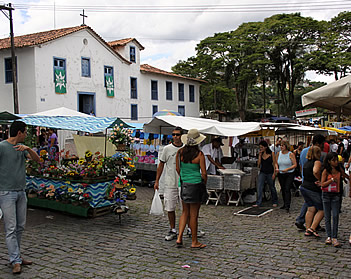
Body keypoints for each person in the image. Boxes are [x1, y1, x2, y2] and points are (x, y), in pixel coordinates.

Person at [0, 121, 40, 274]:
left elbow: (38, 160)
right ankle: (15, 260)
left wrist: (28, 148)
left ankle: (17, 256)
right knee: (10, 228)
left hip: (21, 192)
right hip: (6, 192)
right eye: (25, 132)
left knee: (20, 226)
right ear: (19, 133)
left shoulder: (22, 149)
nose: (26, 135)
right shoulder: (2, 147)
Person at [176, 129, 207, 249]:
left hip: (184, 184)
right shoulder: (199, 155)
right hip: (196, 184)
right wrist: (204, 182)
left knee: (184, 212)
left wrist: (184, 177)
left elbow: (178, 169)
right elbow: (204, 173)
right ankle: (194, 241)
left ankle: (179, 237)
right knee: (194, 215)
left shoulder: (180, 153)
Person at [154, 127, 184, 241]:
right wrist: (157, 181)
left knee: (185, 208)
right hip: (170, 182)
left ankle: (189, 228)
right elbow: (161, 165)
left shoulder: (185, 149)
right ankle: (173, 229)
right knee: (170, 207)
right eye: (174, 134)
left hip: (183, 182)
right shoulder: (167, 149)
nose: (175, 137)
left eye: (177, 134)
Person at [295, 134, 326, 230]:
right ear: (317, 144)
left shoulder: (304, 151)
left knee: (310, 205)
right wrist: (320, 180)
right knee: (316, 205)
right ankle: (309, 224)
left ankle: (309, 224)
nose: (323, 147)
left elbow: (301, 165)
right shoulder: (317, 155)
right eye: (322, 144)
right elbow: (316, 170)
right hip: (314, 182)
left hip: (305, 179)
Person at [321, 152, 349, 247]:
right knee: (327, 216)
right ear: (329, 161)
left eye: (336, 160)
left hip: (336, 195)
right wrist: (332, 180)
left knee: (336, 215)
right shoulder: (326, 171)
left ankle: (334, 237)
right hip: (326, 195)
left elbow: (346, 176)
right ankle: (329, 236)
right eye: (334, 160)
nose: (336, 162)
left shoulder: (339, 169)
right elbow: (322, 184)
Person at [254, 140, 278, 207]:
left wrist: (274, 173)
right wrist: (259, 156)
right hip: (262, 172)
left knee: (272, 187)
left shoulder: (271, 154)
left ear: (265, 147)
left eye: (262, 147)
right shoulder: (261, 155)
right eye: (260, 147)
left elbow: (274, 163)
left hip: (270, 172)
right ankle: (258, 202)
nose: (261, 148)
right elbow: (258, 165)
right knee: (259, 187)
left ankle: (275, 200)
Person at [276, 140, 297, 212]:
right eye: (280, 145)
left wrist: (287, 169)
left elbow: (295, 164)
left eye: (282, 145)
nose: (281, 147)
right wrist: (277, 168)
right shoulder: (279, 153)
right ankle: (284, 203)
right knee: (283, 188)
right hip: (281, 173)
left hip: (289, 173)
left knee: (287, 188)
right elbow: (276, 162)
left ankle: (287, 205)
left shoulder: (291, 154)